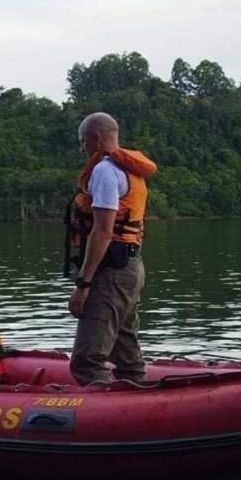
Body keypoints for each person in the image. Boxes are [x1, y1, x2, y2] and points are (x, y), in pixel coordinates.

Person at [65, 112, 157, 385]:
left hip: (112, 271)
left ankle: (111, 419)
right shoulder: (131, 171)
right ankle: (142, 407)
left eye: (82, 142)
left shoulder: (105, 170)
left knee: (86, 360)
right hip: (131, 267)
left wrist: (83, 284)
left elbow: (103, 231)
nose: (82, 148)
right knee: (127, 356)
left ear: (96, 137)